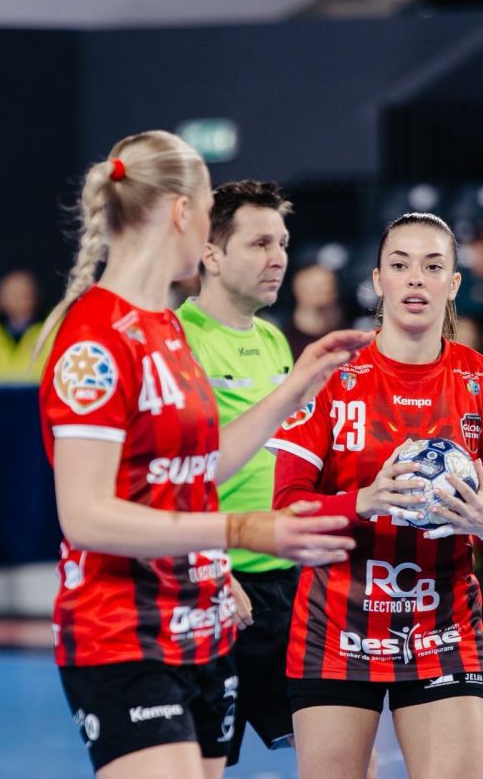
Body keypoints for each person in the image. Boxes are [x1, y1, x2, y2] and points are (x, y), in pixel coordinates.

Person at [34, 130, 369, 779]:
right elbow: (85, 516)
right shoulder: (94, 342)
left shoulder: (163, 327)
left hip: (201, 622)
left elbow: (198, 468)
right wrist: (242, 531)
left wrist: (293, 388)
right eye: (210, 207)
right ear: (184, 213)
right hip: (123, 628)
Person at [269, 212, 483, 779]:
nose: (416, 277)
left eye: (433, 266)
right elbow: (285, 513)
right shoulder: (329, 373)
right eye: (400, 264)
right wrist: (363, 501)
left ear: (453, 284)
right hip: (335, 627)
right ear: (378, 280)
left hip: (443, 628)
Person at [174, 179, 304, 768]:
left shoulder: (275, 340)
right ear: (212, 253)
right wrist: (215, 570)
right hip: (217, 587)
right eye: (259, 244)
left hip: (287, 588)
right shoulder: (180, 342)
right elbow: (171, 475)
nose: (278, 258)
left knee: (343, 754)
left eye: (282, 243)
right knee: (205, 766)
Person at [0, 269, 53, 386]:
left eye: (25, 294)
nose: (21, 300)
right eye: (14, 295)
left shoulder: (53, 326)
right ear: (0, 300)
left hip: (38, 393)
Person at [283, 264, 345, 359]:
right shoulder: (283, 342)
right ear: (298, 290)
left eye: (328, 285)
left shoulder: (348, 337)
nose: (325, 290)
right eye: (316, 287)